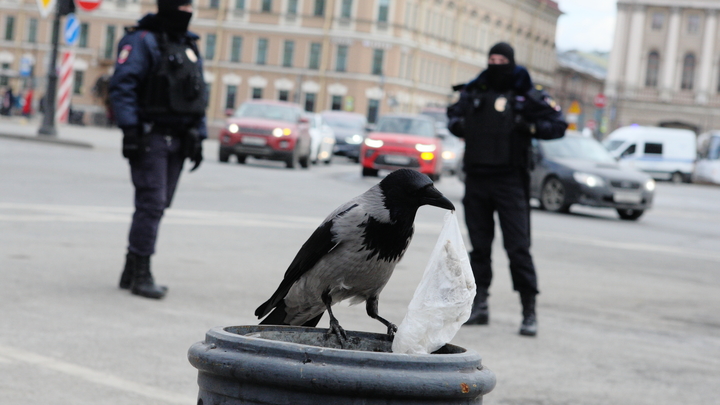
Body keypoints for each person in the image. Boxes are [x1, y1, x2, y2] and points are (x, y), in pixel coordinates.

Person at [447, 42, 567, 336]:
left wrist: (530, 128)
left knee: (518, 248)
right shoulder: (475, 89)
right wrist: (463, 127)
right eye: (492, 58)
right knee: (479, 248)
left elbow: (558, 124)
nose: (496, 63)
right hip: (477, 179)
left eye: (501, 59)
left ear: (511, 61)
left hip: (511, 181)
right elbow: (452, 118)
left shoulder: (526, 93)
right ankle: (480, 305)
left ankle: (529, 311)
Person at [109, 0, 207, 299]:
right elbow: (123, 87)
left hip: (179, 138)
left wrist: (198, 135)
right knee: (151, 203)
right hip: (150, 136)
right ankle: (141, 273)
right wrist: (130, 130)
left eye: (190, 5)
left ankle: (130, 269)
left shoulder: (187, 44)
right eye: (181, 5)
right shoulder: (142, 40)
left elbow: (197, 92)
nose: (187, 10)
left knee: (159, 204)